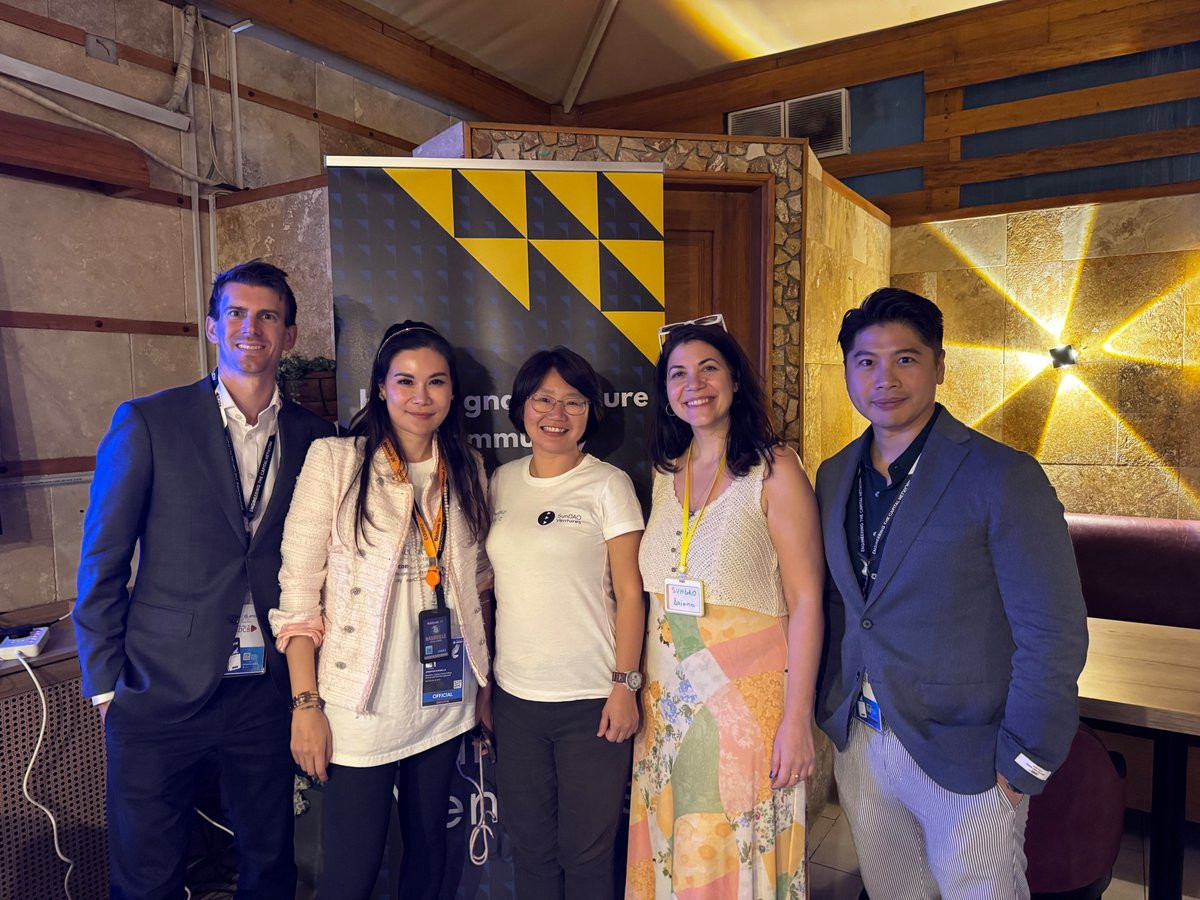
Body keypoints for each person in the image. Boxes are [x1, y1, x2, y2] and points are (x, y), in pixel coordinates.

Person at [814, 287, 1089, 899]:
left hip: (970, 754)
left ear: (939, 366)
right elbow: (842, 609)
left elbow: (1053, 631)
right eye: (866, 362)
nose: (885, 379)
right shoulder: (833, 475)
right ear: (849, 372)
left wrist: (1026, 759)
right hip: (862, 745)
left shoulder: (1003, 476)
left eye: (906, 359)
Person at [74, 259, 336, 899]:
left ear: (289, 335)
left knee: (270, 866)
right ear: (214, 328)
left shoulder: (318, 439)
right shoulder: (149, 422)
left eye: (268, 316)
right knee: (147, 876)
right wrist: (106, 686)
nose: (252, 328)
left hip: (264, 693)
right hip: (157, 688)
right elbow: (102, 562)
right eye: (237, 314)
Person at [269, 321, 493, 900]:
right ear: (381, 388)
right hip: (359, 707)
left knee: (429, 854)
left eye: (436, 382)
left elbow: (479, 587)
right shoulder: (336, 462)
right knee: (352, 870)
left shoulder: (467, 466)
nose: (422, 396)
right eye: (406, 381)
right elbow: (298, 596)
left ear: (452, 392)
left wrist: (485, 681)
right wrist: (305, 705)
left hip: (443, 700)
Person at [627, 316, 824, 900]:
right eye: (678, 374)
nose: (694, 384)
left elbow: (807, 600)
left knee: (730, 854)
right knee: (675, 852)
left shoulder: (776, 469)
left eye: (709, 368)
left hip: (744, 707)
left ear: (735, 379)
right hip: (666, 710)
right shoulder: (664, 474)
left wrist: (797, 719)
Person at [486, 346, 645, 900]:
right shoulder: (500, 481)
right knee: (531, 851)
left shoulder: (609, 484)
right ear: (521, 407)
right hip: (516, 700)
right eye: (543, 399)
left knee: (587, 856)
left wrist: (625, 685)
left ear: (590, 412)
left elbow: (631, 594)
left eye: (573, 401)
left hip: (591, 702)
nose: (557, 413)